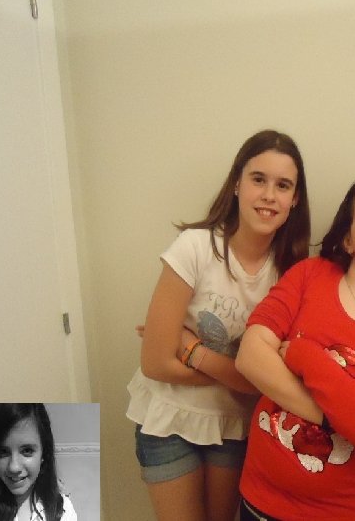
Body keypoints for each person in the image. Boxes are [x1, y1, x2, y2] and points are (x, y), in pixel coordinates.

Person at [126, 129, 311, 521]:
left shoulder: (294, 276)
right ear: (237, 184)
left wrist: (191, 350)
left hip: (234, 426)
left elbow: (265, 382)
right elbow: (155, 364)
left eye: (282, 186)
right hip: (168, 418)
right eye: (258, 179)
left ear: (295, 199)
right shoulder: (194, 247)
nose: (268, 195)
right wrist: (241, 375)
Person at [235, 174, 355, 521]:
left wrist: (304, 357)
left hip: (347, 512)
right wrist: (345, 411)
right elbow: (250, 357)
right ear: (348, 239)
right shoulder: (310, 275)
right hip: (261, 500)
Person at [0, 403, 77, 521]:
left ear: (44, 453)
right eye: (2, 452)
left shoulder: (62, 509)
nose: (13, 467)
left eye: (27, 450)